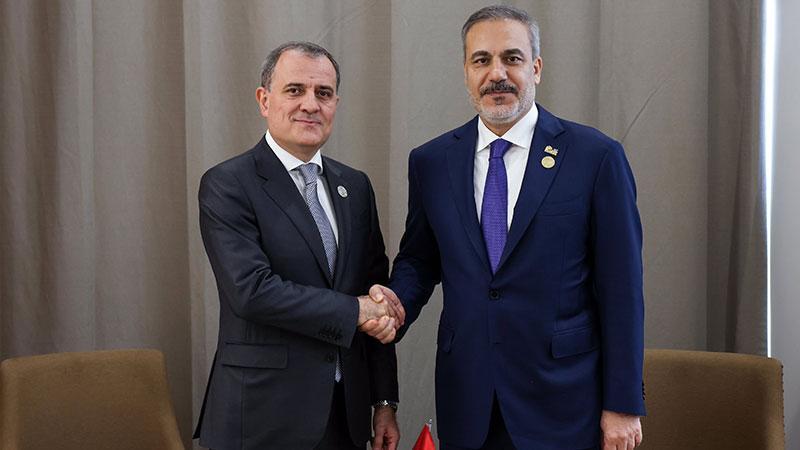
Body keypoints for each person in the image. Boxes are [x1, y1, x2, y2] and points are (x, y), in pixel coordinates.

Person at [380, 5, 645, 450]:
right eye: (481, 60)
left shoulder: (595, 157)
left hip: (564, 401)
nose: (496, 74)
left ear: (535, 68)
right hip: (469, 400)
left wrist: (623, 403)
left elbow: (622, 290)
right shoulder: (431, 162)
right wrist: (393, 307)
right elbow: (420, 261)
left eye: (512, 58)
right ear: (466, 71)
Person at [193, 41, 404, 450]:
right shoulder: (228, 184)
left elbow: (376, 293)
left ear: (335, 104)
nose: (310, 104)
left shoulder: (355, 187)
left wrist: (383, 402)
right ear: (264, 100)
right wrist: (357, 310)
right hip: (261, 419)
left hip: (345, 418)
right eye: (295, 90)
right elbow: (252, 292)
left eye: (323, 93)